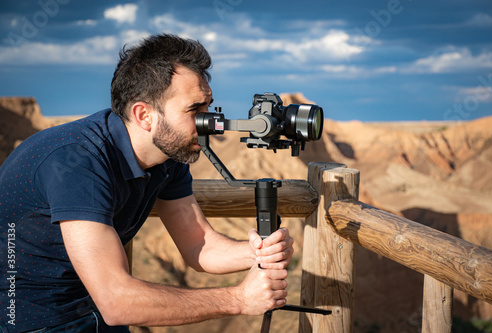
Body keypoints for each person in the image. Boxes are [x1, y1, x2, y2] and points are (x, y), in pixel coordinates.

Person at [0, 34, 294, 332]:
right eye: (195, 110)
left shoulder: (167, 156)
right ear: (144, 115)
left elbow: (198, 245)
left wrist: (258, 251)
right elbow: (117, 301)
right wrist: (239, 299)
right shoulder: (77, 162)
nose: (210, 123)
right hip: (32, 322)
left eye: (209, 106)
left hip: (98, 317)